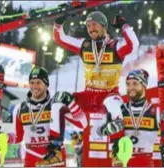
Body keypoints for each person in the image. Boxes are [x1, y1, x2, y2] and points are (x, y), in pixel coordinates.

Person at [53, 11, 139, 166]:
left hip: (108, 96)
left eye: (94, 24)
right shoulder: (84, 45)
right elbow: (59, 38)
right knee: (57, 103)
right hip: (88, 96)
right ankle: (56, 151)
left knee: (115, 104)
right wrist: (58, 24)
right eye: (88, 25)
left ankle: (117, 153)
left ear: (104, 26)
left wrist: (124, 27)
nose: (91, 28)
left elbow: (134, 45)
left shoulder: (115, 46)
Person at [0, 66, 87, 167]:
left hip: (55, 156)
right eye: (32, 82)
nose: (34, 86)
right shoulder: (20, 109)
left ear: (46, 84)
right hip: (32, 157)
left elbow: (83, 124)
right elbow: (17, 137)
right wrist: (3, 137)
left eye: (38, 82)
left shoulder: (56, 105)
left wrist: (71, 104)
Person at [99, 69, 164, 167]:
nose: (131, 87)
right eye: (128, 84)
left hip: (145, 162)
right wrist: (106, 129)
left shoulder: (155, 112)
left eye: (135, 83)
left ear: (144, 86)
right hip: (121, 162)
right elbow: (98, 132)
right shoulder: (119, 110)